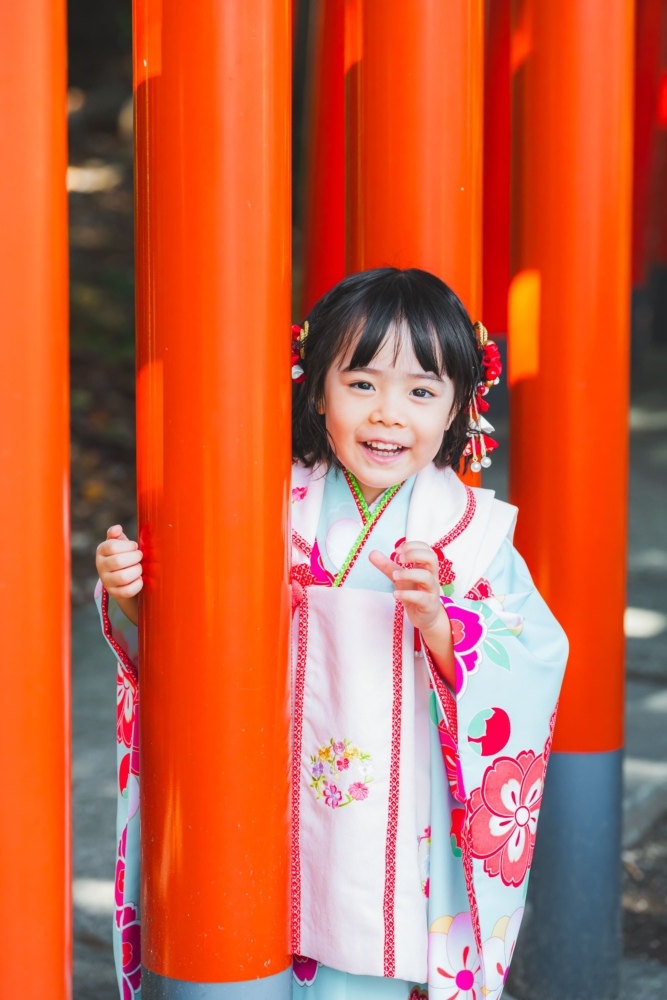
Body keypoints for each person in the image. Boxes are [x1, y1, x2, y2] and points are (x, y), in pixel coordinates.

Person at [96, 267, 568, 1000]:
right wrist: (135, 597)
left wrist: (446, 626)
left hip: (391, 829)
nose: (388, 414)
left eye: (420, 391)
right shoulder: (255, 501)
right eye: (360, 384)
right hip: (257, 796)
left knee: (361, 971)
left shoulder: (470, 535)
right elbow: (189, 642)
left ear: (456, 412)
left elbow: (536, 655)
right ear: (315, 389)